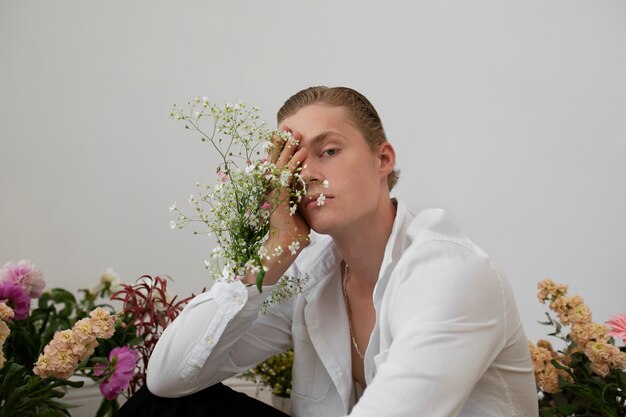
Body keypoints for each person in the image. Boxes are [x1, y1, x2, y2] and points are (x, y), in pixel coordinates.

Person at [117, 86, 539, 417]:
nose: (309, 176)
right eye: (292, 165)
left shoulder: (451, 271)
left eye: (329, 151)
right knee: (174, 407)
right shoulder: (313, 276)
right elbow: (168, 379)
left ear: (383, 159)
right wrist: (272, 256)